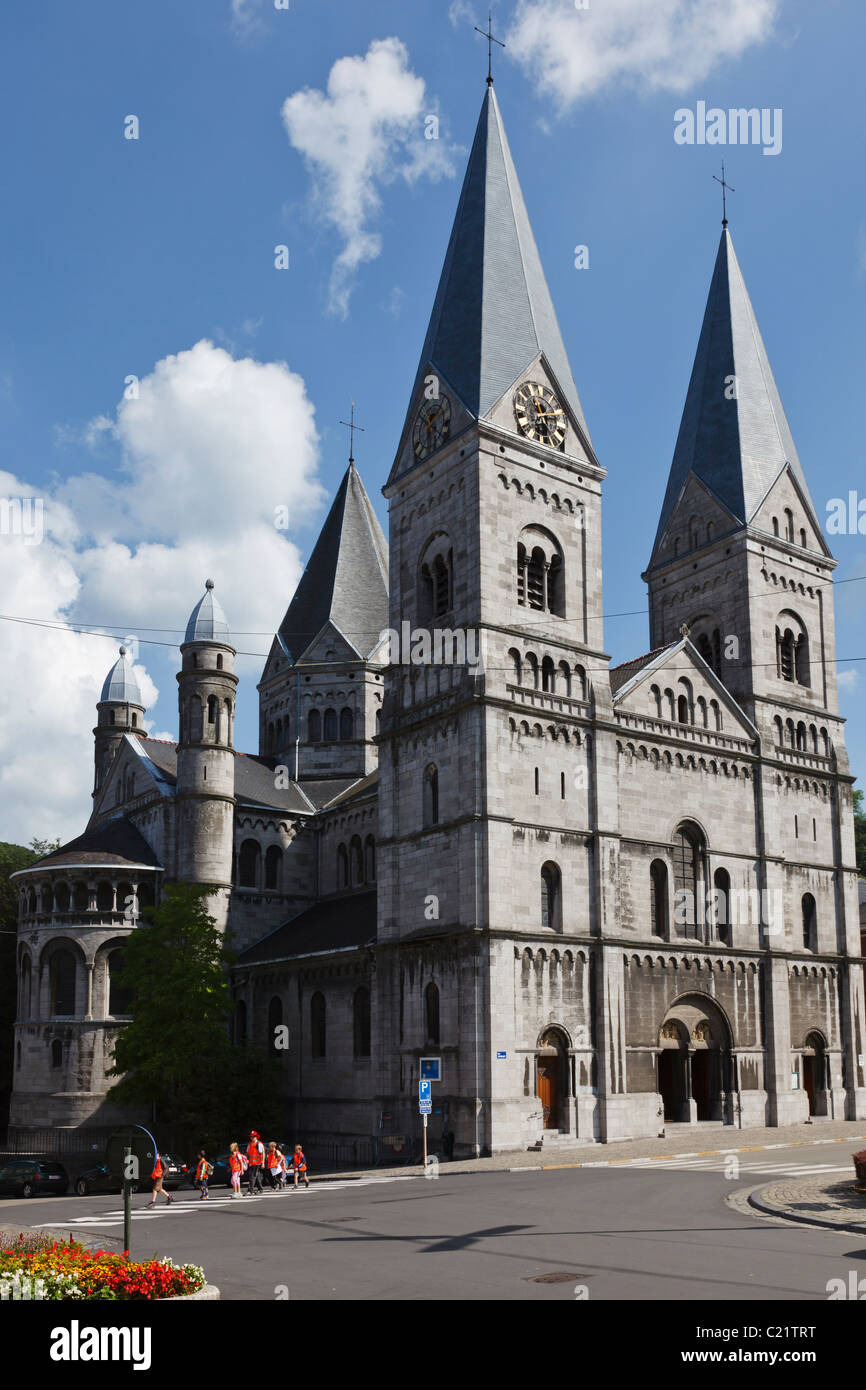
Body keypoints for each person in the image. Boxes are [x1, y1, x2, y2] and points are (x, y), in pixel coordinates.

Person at [246, 1130, 264, 1195]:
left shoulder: (259, 1144)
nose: (252, 1138)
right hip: (251, 1163)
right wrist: (247, 1161)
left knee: (252, 1176)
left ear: (256, 1137)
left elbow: (262, 1154)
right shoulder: (249, 1144)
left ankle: (250, 1190)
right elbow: (247, 1154)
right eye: (251, 1137)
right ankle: (260, 1189)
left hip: (257, 1163)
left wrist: (263, 1163)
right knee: (255, 1177)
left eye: (254, 1136)